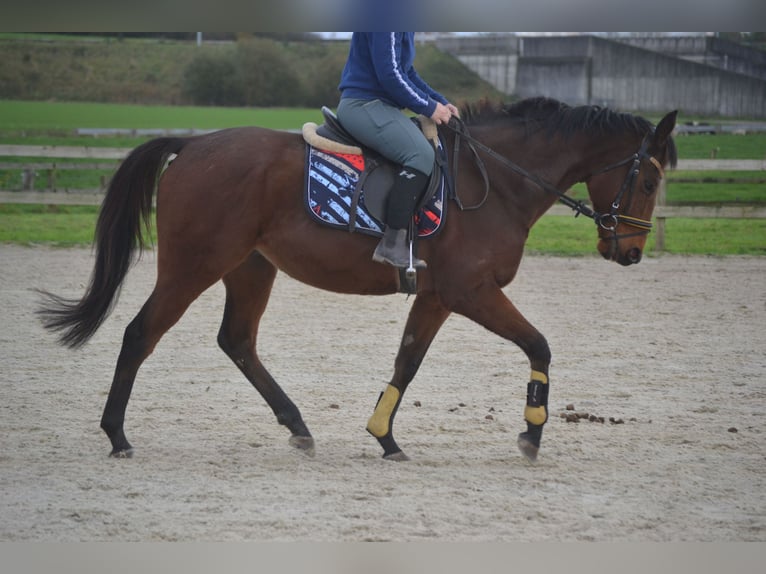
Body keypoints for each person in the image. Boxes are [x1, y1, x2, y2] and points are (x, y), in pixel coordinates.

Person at [336, 32, 459, 269]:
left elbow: (406, 72)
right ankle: (392, 244)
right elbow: (390, 75)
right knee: (420, 154)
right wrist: (428, 107)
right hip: (364, 105)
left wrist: (438, 102)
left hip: (378, 105)